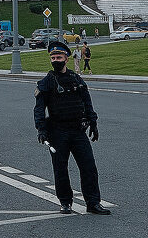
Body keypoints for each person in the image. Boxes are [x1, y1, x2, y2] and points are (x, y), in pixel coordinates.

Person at [33, 40, 110, 216]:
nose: (55, 60)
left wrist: (93, 122)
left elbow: (87, 102)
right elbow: (39, 109)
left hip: (77, 131)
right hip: (57, 131)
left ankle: (93, 202)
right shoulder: (46, 82)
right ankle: (65, 202)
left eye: (58, 57)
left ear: (66, 59)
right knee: (61, 169)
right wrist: (41, 129)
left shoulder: (76, 79)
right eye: (53, 57)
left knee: (89, 166)